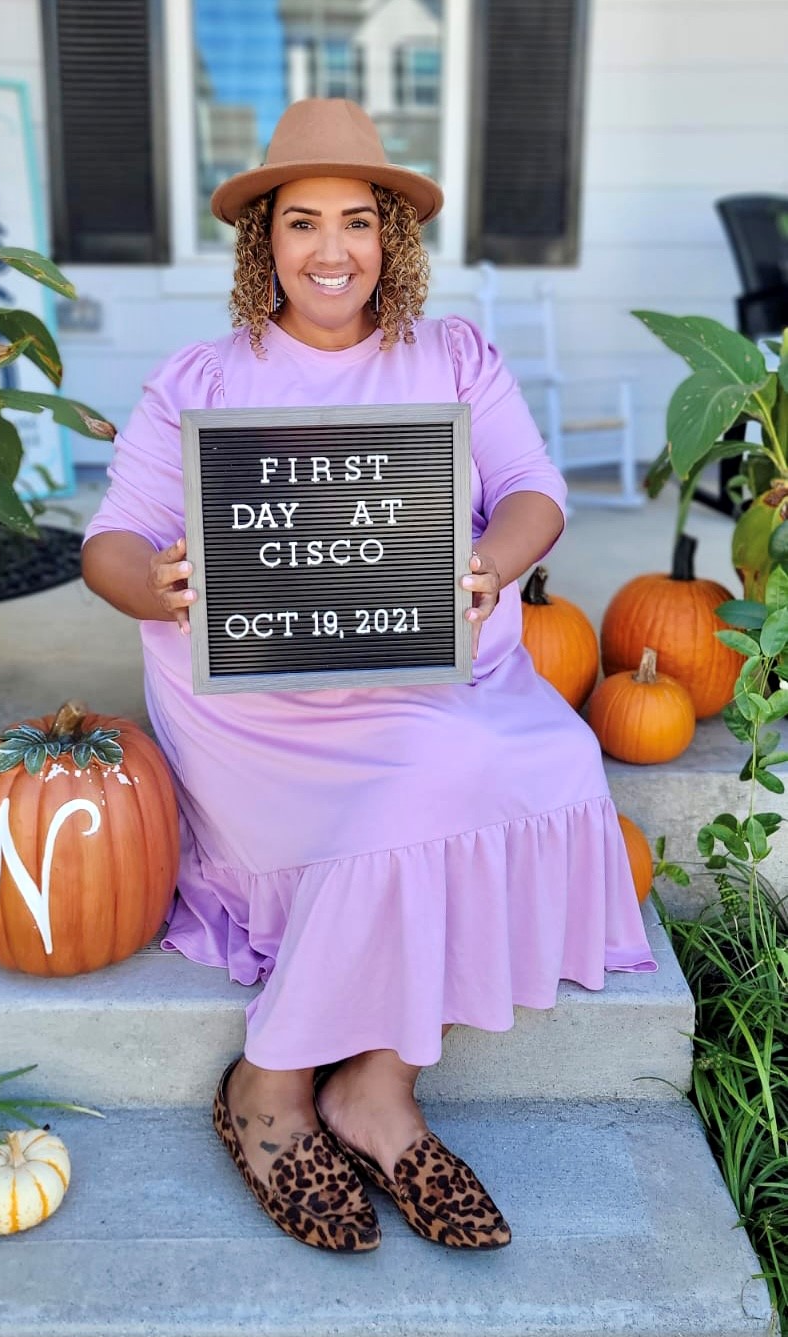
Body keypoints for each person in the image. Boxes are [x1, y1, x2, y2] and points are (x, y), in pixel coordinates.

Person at [82, 98, 656, 1254]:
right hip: (263, 699)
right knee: (429, 783)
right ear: (265, 243)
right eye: (302, 224)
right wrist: (163, 586)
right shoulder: (202, 377)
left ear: (391, 235)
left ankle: (367, 1084)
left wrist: (491, 564)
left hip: (431, 670)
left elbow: (536, 494)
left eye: (357, 221)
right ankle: (275, 1088)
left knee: (537, 757)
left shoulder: (450, 355)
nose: (331, 250)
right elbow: (110, 546)